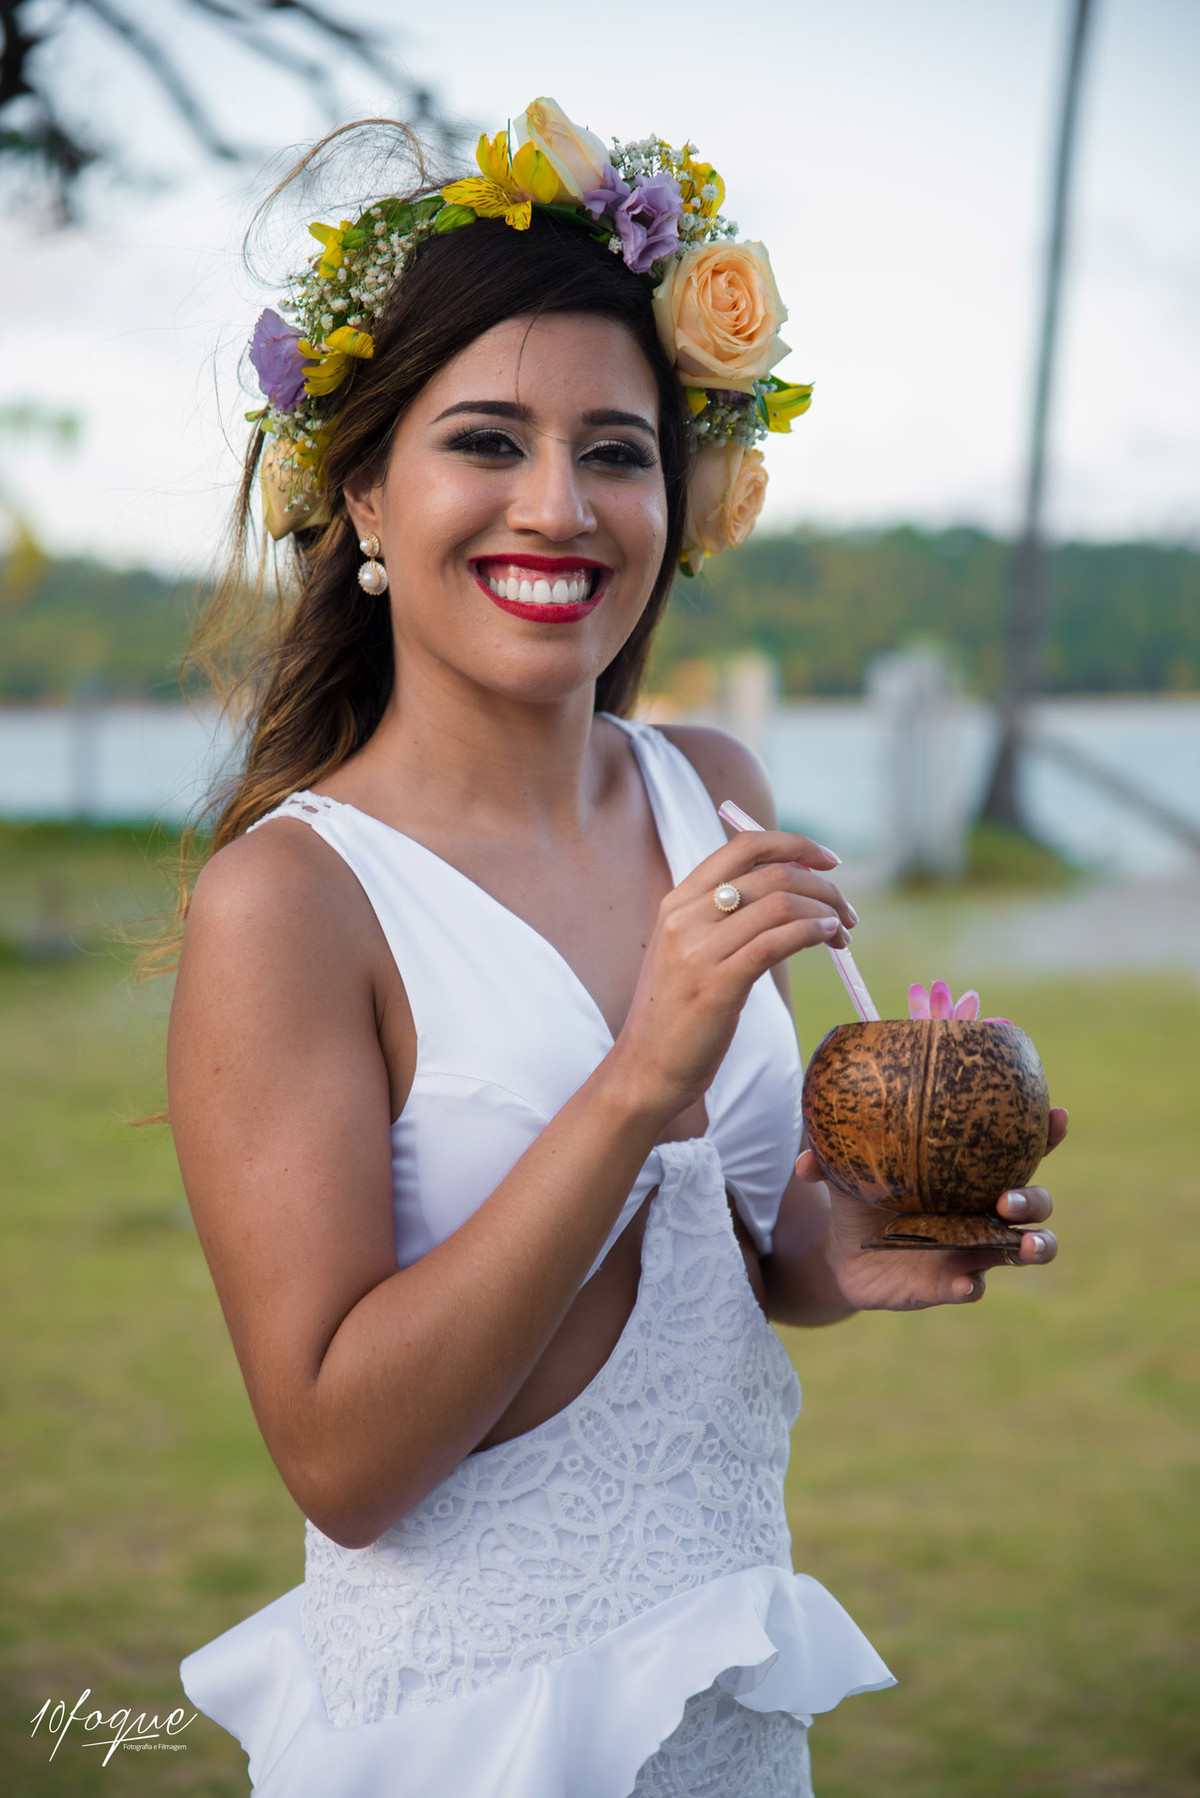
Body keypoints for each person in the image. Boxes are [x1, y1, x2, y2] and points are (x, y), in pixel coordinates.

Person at [170, 101, 1063, 1797]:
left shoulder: (708, 793)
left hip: (719, 1709)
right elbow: (343, 1457)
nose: (559, 506)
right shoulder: (291, 902)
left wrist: (852, 1245)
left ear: (681, 491)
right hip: (463, 1736)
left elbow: (737, 1242)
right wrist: (639, 1072)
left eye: (618, 449)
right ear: (365, 487)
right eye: (487, 442)